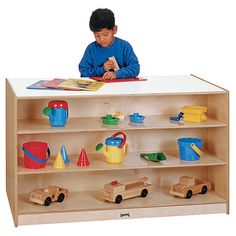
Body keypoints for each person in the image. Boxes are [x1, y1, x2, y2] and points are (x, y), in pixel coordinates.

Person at [79, 8, 140, 80]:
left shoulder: (124, 46)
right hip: (99, 90)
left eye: (105, 34)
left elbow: (135, 68)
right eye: (97, 35)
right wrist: (102, 69)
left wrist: (116, 74)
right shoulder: (91, 49)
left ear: (114, 29)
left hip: (122, 88)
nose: (101, 39)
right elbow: (83, 71)